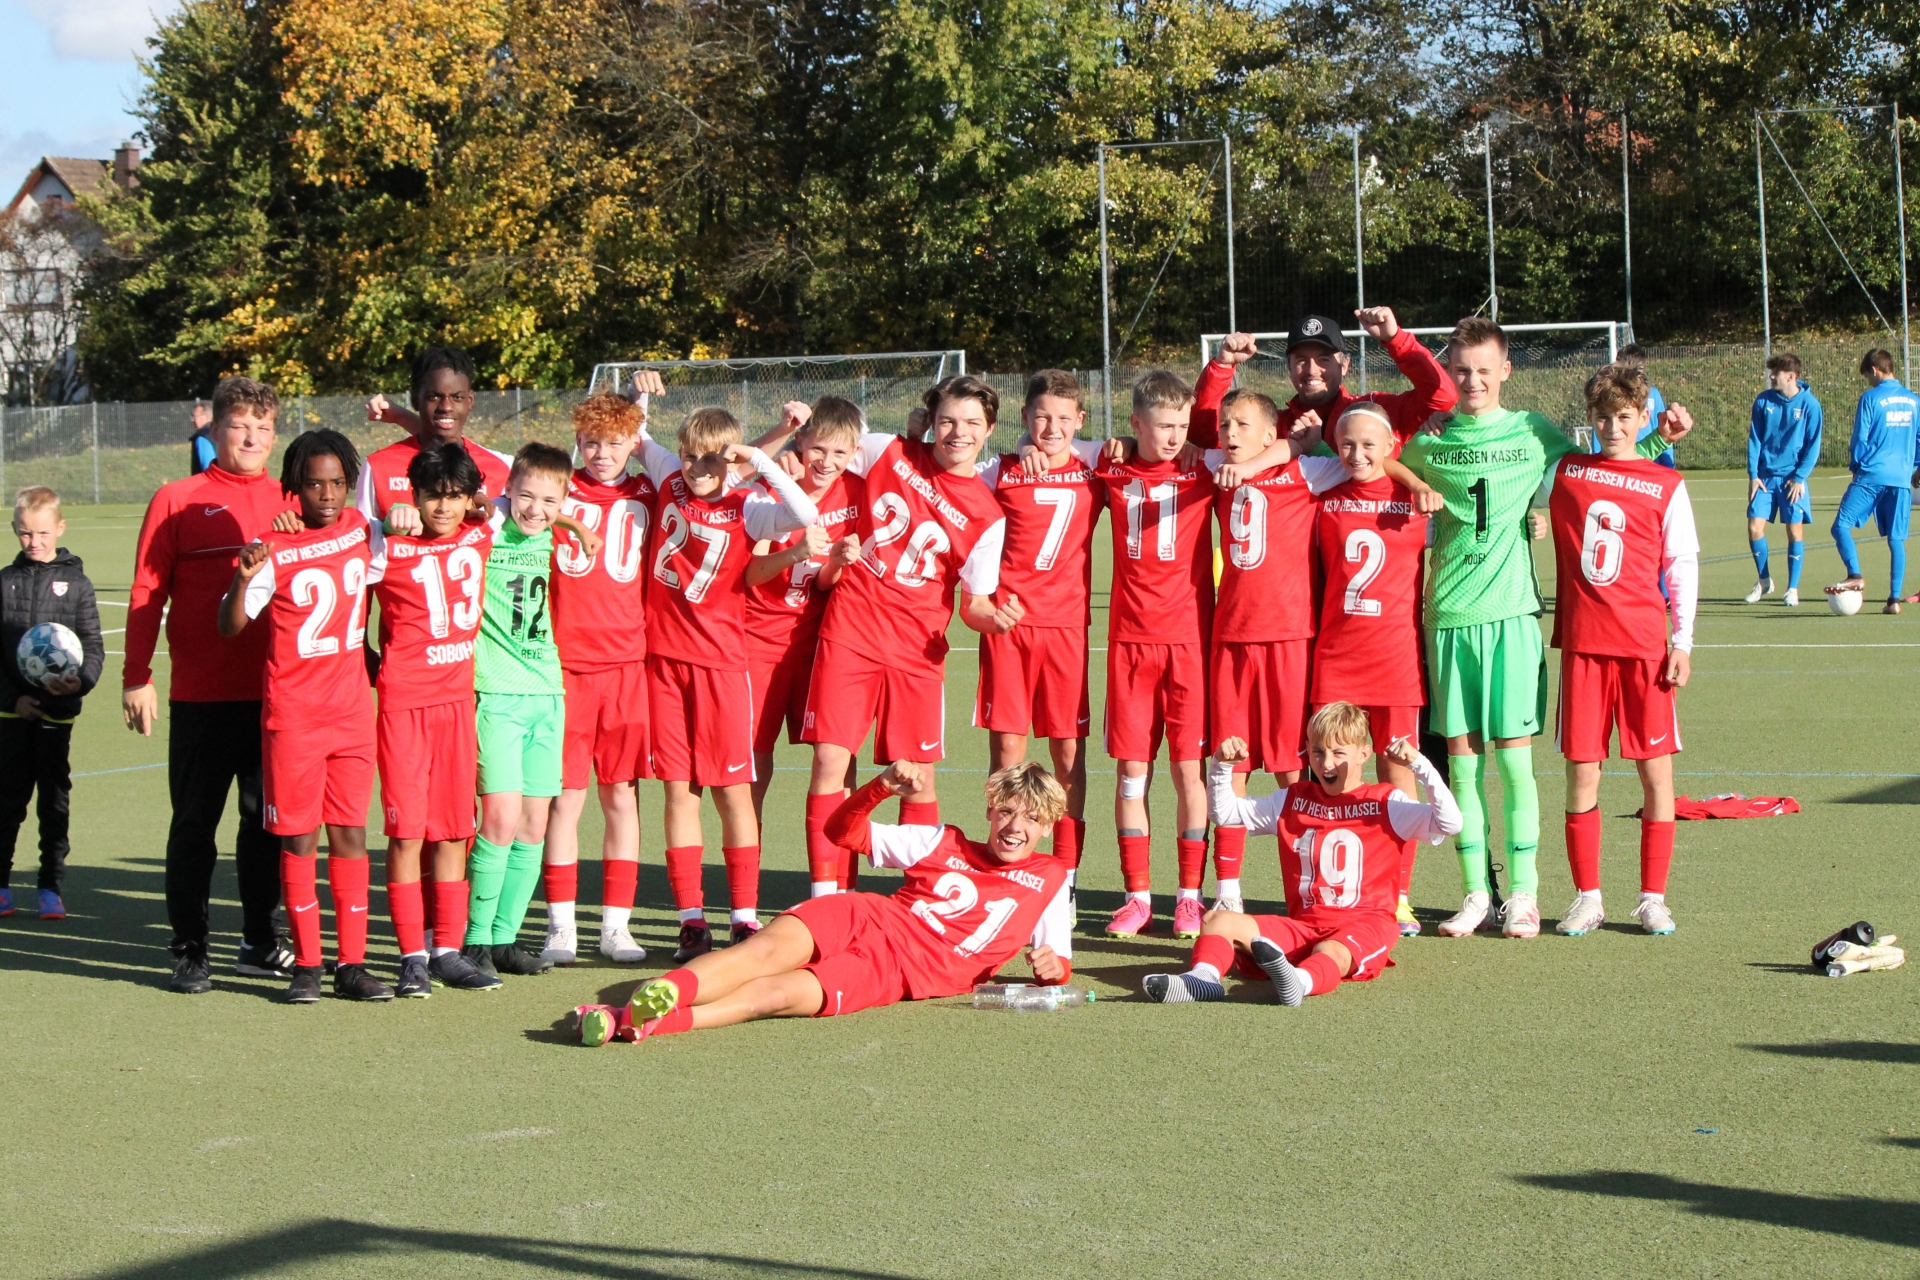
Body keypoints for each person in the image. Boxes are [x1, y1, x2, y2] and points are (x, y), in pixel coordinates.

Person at [1398, 318, 1689, 940]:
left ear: (1505, 370)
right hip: (1446, 617)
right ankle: (1476, 895)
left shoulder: (1534, 432)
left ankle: (1525, 896)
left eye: (1484, 369)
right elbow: (1378, 457)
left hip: (1513, 619)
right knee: (1463, 766)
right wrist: (1416, 479)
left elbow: (1609, 470)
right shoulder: (1429, 440)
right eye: (1461, 369)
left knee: (1515, 765)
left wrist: (1659, 441)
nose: (1472, 380)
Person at [572, 760, 1072, 1045]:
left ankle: (635, 1018)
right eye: (1006, 812)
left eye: (1031, 819)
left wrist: (1054, 970)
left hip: (894, 973)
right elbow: (841, 832)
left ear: (1047, 827)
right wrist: (880, 788)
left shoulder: (1049, 877)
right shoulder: (943, 841)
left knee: (773, 997)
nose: (1015, 827)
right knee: (758, 954)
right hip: (863, 915)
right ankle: (661, 991)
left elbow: (1059, 967)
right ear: (990, 811)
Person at [770, 377, 1015, 919]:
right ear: (931, 421)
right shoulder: (887, 449)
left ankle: (916, 903)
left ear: (990, 431)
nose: (958, 433)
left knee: (916, 779)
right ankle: (827, 902)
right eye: (948, 420)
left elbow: (974, 604)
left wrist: (993, 621)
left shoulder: (988, 517)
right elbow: (828, 454)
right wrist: (791, 455)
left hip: (916, 653)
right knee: (830, 762)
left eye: (972, 424)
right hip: (851, 632)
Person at [389, 442, 601, 978]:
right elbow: (474, 508)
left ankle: (505, 937)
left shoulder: (551, 529)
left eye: (549, 501)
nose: (536, 509)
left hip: (547, 693)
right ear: (507, 492)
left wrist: (573, 523)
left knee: (535, 823)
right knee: (500, 819)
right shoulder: (485, 528)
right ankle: (475, 939)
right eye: (525, 497)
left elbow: (552, 509)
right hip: (495, 694)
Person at [126, 375, 298, 995]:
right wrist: (136, 677)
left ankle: (258, 941)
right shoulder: (176, 498)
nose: (251, 438)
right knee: (194, 825)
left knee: (265, 823)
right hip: (200, 694)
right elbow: (147, 592)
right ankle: (190, 949)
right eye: (239, 426)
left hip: (275, 694)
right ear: (214, 429)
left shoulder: (292, 499)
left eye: (262, 428)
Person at [632, 406, 819, 960]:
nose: (697, 468)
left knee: (733, 793)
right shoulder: (670, 475)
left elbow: (804, 511)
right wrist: (643, 400)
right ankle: (691, 919)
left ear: (731, 459)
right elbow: (636, 437)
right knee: (678, 792)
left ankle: (743, 916)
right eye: (690, 456)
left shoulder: (748, 506)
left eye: (711, 459)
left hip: (720, 666)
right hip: (664, 663)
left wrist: (759, 457)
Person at [217, 430, 390, 1003]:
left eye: (338, 483)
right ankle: (308, 966)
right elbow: (229, 626)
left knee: (351, 835)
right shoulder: (272, 545)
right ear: (294, 487)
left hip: (351, 713)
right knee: (298, 841)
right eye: (315, 484)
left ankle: (352, 965)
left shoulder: (364, 531)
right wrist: (243, 577)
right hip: (294, 718)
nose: (328, 494)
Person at [1141, 703, 1460, 1005]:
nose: (1327, 763)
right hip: (1304, 926)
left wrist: (1420, 765)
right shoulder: (1294, 799)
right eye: (1318, 752)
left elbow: (1450, 823)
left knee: (1332, 950)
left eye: (1338, 752)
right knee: (1217, 920)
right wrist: (1222, 767)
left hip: (1365, 925)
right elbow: (1225, 814)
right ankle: (1202, 979)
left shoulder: (1387, 801)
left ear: (1363, 754)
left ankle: (1300, 982)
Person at [1550, 365, 1699, 937]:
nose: (1613, 427)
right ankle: (1587, 897)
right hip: (1584, 648)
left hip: (1643, 649)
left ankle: (1652, 898)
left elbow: (1680, 565)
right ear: (1590, 418)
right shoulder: (1568, 471)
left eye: (1624, 417)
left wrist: (1682, 640)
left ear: (1642, 417)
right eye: (1603, 417)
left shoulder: (1666, 484)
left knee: (1656, 775)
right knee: (1582, 775)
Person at [365, 443, 501, 994]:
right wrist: (383, 520)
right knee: (406, 833)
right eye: (432, 496)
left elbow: (523, 503)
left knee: (452, 831)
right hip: (405, 705)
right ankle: (411, 955)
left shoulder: (479, 531)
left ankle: (446, 949)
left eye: (454, 496)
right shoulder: (387, 545)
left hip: (457, 704)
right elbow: (338, 537)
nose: (443, 507)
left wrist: (483, 505)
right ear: (414, 496)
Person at [1093, 371, 1217, 937]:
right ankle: (1137, 897)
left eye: (1181, 425)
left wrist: (1219, 373)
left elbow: (1252, 440)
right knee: (1130, 775)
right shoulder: (1110, 465)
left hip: (1189, 643)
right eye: (1163, 425)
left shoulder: (1202, 466)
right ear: (1135, 423)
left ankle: (1189, 897)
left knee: (1190, 773)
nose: (1173, 437)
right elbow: (1054, 448)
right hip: (1130, 644)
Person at [973, 371, 1105, 898]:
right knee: (1007, 752)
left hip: (1066, 630)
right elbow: (948, 476)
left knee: (1068, 756)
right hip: (1010, 628)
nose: (1052, 427)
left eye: (1063, 418)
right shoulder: (1000, 470)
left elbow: (1136, 447)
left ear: (1080, 420)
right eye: (1041, 417)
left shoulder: (1095, 467)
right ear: (1025, 417)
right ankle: (1006, 869)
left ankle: (1065, 876)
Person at [542, 391, 659, 966]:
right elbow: (511, 500)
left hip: (626, 668)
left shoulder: (649, 493)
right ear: (577, 441)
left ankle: (616, 926)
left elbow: (711, 478)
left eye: (615, 442)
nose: (602, 453)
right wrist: (563, 514)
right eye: (592, 442)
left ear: (635, 442)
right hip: (565, 668)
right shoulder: (557, 492)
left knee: (621, 796)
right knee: (565, 800)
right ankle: (560, 925)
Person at [1311, 404, 1435, 936]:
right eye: (1346, 444)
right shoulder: (1324, 498)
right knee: (1332, 779)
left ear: (1390, 447)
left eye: (1368, 445)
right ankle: (1332, 891)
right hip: (1336, 661)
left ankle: (1396, 896)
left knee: (1397, 779)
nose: (1357, 454)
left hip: (1397, 663)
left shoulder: (1417, 503)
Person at [744, 396, 864, 893]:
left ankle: (841, 886)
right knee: (752, 766)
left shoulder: (857, 491)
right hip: (757, 639)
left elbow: (827, 581)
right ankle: (744, 894)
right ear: (800, 442)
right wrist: (796, 551)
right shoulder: (772, 487)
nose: (827, 462)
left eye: (839, 453)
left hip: (822, 645)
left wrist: (835, 562)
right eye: (818, 450)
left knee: (838, 760)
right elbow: (751, 573)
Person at [0, 487, 104, 920]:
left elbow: (93, 648)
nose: (34, 541)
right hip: (11, 713)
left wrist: (79, 683)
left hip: (57, 715)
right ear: (15, 529)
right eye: (25, 533)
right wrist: (13, 698)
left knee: (54, 803)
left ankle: (49, 887)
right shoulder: (4, 581)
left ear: (59, 528)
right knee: (7, 801)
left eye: (42, 532)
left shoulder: (77, 585)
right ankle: (1, 885)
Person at [1220, 308, 1456, 446]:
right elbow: (1208, 430)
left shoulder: (1377, 412)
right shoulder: (1273, 425)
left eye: (1324, 359)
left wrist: (1396, 339)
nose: (1312, 370)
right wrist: (1222, 366)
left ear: (1345, 365)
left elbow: (1443, 397)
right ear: (1289, 367)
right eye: (1301, 360)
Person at [358, 346, 513, 521]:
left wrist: (400, 416)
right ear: (416, 399)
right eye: (434, 397)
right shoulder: (379, 467)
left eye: (457, 397)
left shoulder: (503, 469)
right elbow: (365, 534)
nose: (446, 407)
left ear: (470, 401)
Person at [1829, 349, 1919, 614]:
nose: (1868, 380)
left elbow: (1861, 437)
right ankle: (1894, 600)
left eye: (1867, 375)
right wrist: (1918, 467)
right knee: (1896, 539)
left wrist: (1855, 466)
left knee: (1840, 526)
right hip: (1901, 478)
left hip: (1872, 474)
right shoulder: (1914, 400)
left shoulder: (1870, 398)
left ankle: (1854, 574)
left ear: (1875, 370)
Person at [1744, 353, 1822, 607]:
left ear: (1791, 376)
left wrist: (1800, 477)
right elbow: (1755, 439)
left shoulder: (1810, 405)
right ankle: (1764, 581)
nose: (1771, 377)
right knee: (1754, 528)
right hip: (1765, 478)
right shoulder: (1763, 401)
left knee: (1794, 531)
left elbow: (1813, 445)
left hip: (1792, 480)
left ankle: (1792, 589)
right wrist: (1753, 475)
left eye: (1775, 373)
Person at [1587, 344, 1674, 467]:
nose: (1614, 428)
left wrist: (1668, 466)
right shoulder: (1605, 397)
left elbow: (1664, 431)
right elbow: (1600, 434)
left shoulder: (1653, 394)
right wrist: (1599, 464)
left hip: (1649, 464)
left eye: (1637, 370)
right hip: (1614, 464)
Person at [188, 402, 215, 476]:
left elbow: (208, 468)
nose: (192, 420)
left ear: (207, 417)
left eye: (195, 416)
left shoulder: (202, 437)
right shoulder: (220, 432)